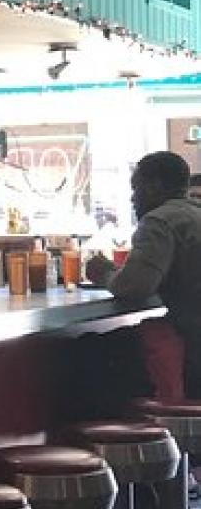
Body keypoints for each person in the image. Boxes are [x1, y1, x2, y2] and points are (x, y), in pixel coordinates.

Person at [85, 151, 201, 397]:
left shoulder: (160, 221)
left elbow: (134, 287)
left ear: (154, 186)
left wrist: (104, 273)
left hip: (193, 351)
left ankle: (121, 418)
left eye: (136, 188)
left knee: (87, 350)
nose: (132, 198)